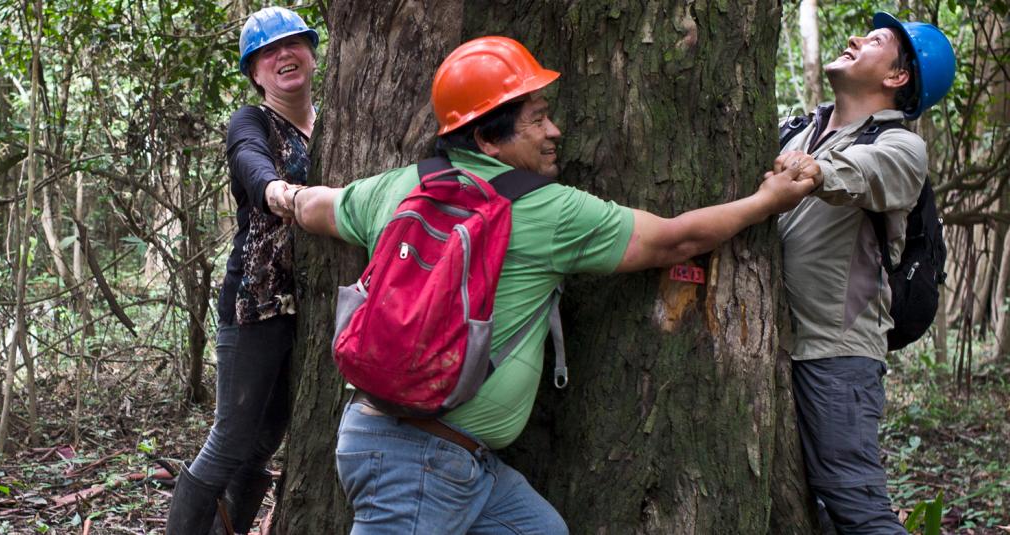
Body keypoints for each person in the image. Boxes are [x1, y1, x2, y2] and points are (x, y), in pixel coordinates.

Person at [269, 36, 823, 534]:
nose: (555, 131)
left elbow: (325, 204)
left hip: (437, 456)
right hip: (418, 465)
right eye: (537, 119)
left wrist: (284, 197)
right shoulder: (545, 210)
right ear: (489, 137)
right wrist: (768, 201)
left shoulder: (400, 187)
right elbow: (674, 241)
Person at [776, 12, 955, 534]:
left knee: (856, 508)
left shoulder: (902, 147)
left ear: (897, 77)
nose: (854, 38)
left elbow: (864, 173)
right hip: (782, 346)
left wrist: (814, 171)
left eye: (874, 40)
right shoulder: (798, 129)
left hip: (836, 354)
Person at [165, 6, 318, 534]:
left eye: (292, 44)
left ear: (312, 53)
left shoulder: (337, 122)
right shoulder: (251, 121)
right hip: (256, 302)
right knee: (230, 441)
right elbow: (250, 160)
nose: (283, 56)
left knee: (262, 445)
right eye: (268, 53)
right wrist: (278, 190)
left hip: (313, 307)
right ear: (255, 72)